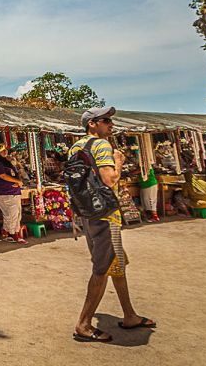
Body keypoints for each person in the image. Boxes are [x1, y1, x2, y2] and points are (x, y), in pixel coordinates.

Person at [72, 107, 155, 343]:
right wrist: (118, 162)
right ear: (92, 124)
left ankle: (129, 315)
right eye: (105, 120)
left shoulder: (76, 146)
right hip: (105, 215)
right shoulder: (102, 146)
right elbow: (109, 180)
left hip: (88, 212)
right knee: (103, 266)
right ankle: (84, 324)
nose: (111, 124)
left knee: (116, 263)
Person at [0, 146, 27, 245]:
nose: (5, 152)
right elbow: (2, 175)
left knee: (16, 214)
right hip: (5, 192)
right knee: (11, 214)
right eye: (2, 151)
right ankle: (14, 234)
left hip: (13, 192)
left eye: (6, 150)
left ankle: (8, 233)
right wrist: (17, 181)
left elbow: (13, 175)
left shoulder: (6, 162)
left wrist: (18, 182)